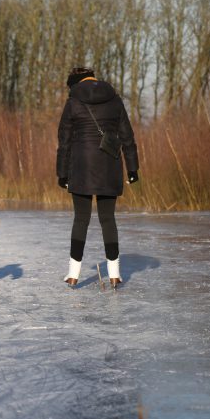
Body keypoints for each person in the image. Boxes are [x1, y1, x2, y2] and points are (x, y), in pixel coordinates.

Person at [56, 67, 140, 288]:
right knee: (108, 219)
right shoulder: (114, 100)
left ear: (75, 83)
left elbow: (64, 141)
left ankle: (73, 274)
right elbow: (127, 136)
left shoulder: (73, 102)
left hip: (81, 167)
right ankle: (114, 275)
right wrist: (133, 169)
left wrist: (62, 173)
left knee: (81, 219)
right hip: (109, 165)